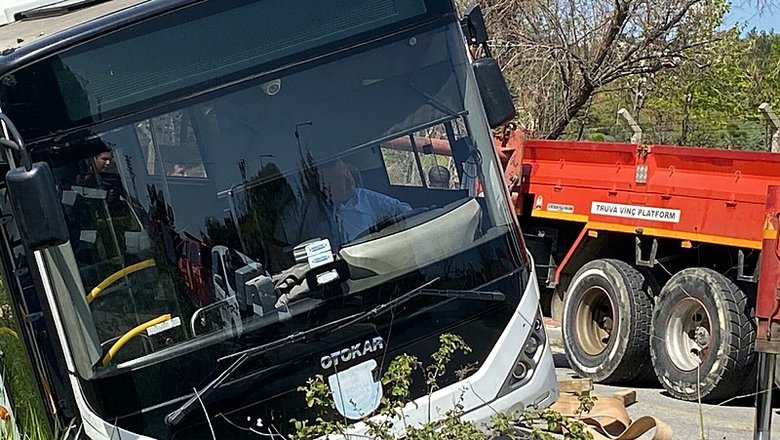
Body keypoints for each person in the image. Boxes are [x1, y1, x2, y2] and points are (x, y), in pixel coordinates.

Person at [276, 159, 411, 249]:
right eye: (341, 178)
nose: (350, 180)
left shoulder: (365, 198)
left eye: (348, 173)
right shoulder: (302, 209)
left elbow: (404, 211)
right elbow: (279, 245)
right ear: (325, 188)